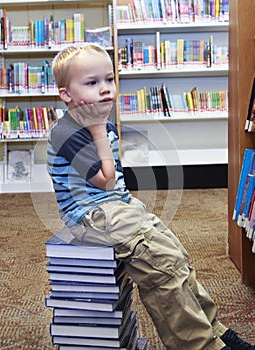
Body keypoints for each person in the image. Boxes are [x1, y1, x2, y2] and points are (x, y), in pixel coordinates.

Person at [47, 43, 254, 350]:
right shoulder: (68, 131)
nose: (105, 89)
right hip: (89, 215)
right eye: (92, 83)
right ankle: (200, 345)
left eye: (109, 79)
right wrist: (99, 130)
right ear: (66, 95)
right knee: (160, 266)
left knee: (175, 254)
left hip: (115, 206)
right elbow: (105, 182)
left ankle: (216, 332)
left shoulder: (96, 122)